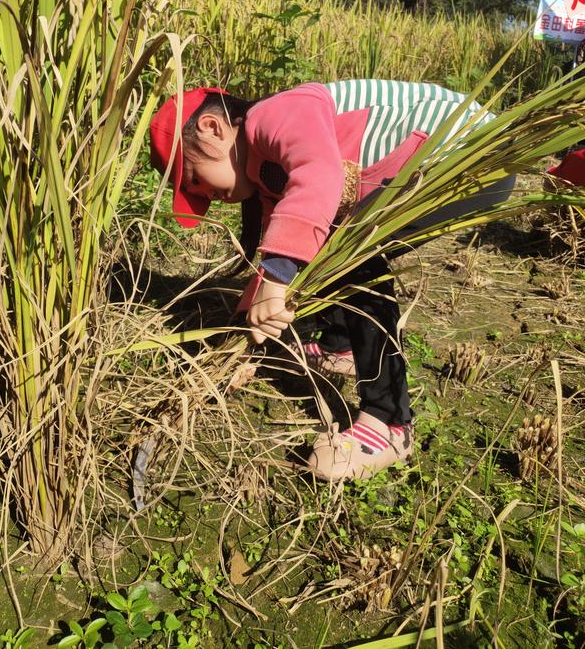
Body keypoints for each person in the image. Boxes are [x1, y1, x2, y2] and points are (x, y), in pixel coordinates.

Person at [149, 80, 515, 482]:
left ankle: (389, 420)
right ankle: (342, 348)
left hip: (467, 154)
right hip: (440, 162)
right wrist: (243, 339)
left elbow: (319, 175)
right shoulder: (265, 169)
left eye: (196, 181)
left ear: (213, 129)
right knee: (324, 240)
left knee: (355, 252)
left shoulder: (275, 114)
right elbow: (282, 248)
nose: (208, 196)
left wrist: (278, 278)